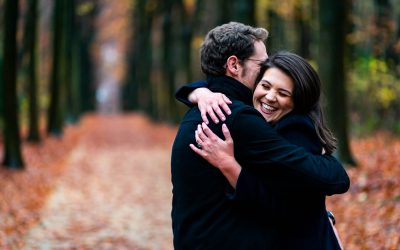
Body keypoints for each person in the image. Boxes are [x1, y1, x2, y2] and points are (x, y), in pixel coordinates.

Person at [171, 22, 349, 249]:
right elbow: (332, 178)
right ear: (234, 65)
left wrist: (196, 91)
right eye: (262, 63)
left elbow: (292, 192)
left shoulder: (196, 114)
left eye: (283, 92)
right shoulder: (238, 118)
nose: (266, 68)